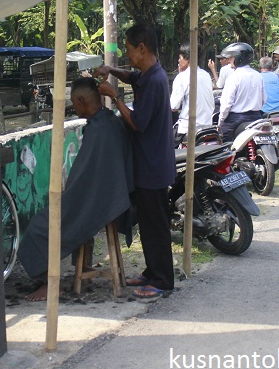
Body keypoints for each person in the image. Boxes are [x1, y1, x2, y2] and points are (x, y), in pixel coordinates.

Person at [17, 77, 134, 301]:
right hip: (104, 197)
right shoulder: (107, 122)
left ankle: (48, 281)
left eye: (73, 102)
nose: (73, 107)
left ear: (81, 101)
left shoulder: (100, 129)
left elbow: (85, 180)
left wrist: (70, 197)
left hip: (95, 200)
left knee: (38, 227)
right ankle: (72, 270)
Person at [94, 24, 176, 299]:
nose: (127, 55)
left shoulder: (154, 81)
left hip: (153, 166)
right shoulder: (149, 74)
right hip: (147, 163)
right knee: (148, 223)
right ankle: (152, 271)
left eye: (129, 50)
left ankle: (163, 280)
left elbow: (137, 123)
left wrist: (114, 96)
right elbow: (132, 77)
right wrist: (111, 70)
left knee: (156, 224)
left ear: (142, 48)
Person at [216, 42, 267, 141]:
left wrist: (220, 122)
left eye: (231, 58)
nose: (229, 60)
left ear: (238, 58)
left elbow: (227, 104)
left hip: (236, 119)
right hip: (256, 117)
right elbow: (263, 99)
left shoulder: (234, 77)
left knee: (222, 143)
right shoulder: (258, 75)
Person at [171, 43, 215, 146]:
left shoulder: (182, 77)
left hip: (187, 128)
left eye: (180, 58)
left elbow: (173, 106)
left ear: (187, 59)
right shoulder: (206, 75)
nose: (178, 61)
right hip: (207, 127)